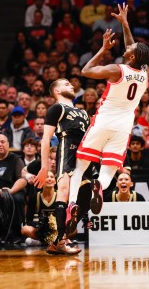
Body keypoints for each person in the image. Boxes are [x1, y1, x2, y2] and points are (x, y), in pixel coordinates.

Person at [70, 2, 149, 215]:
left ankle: (71, 204)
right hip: (124, 126)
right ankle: (99, 186)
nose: (127, 47)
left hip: (104, 121)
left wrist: (103, 49)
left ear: (132, 57)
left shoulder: (117, 69)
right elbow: (133, 47)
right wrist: (125, 24)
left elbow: (85, 71)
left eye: (130, 50)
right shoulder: (144, 72)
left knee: (80, 166)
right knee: (107, 172)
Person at [34, 78, 89, 255]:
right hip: (68, 147)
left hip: (85, 153)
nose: (72, 85)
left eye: (71, 84)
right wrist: (44, 167)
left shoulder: (84, 112)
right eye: (66, 84)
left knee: (87, 195)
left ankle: (60, 237)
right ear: (56, 91)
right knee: (64, 190)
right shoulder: (56, 108)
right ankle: (60, 241)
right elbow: (46, 139)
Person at [21, 171, 58, 246]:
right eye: (46, 177)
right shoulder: (35, 198)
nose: (49, 179)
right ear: (41, 181)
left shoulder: (60, 196)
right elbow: (29, 220)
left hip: (57, 229)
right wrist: (41, 226)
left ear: (55, 181)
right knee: (24, 229)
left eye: (52, 177)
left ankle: (41, 242)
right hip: (40, 230)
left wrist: (54, 225)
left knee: (73, 231)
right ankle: (49, 242)